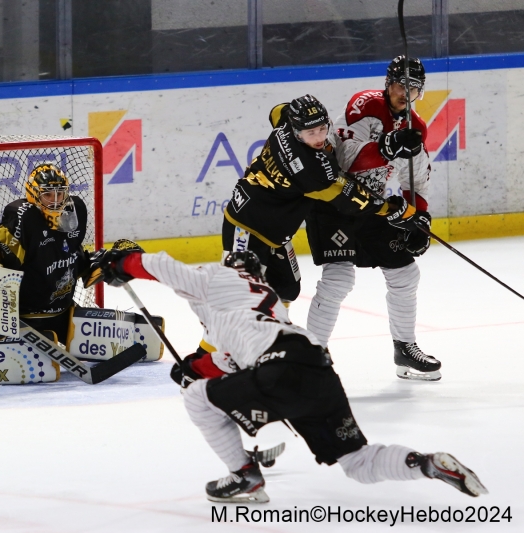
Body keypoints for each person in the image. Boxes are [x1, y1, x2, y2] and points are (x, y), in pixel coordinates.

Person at [95, 247, 487, 503]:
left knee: (197, 398)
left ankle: (244, 475)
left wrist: (119, 263)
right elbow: (237, 361)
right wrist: (197, 368)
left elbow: (162, 266)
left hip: (279, 365)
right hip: (314, 364)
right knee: (357, 461)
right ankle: (426, 463)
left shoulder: (220, 279)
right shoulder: (265, 305)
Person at [305, 56, 439, 380]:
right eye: (399, 85)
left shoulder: (416, 128)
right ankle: (310, 359)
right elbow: (346, 161)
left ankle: (405, 349)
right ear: (387, 84)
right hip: (333, 198)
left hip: (371, 205)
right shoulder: (363, 105)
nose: (405, 94)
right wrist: (388, 146)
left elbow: (416, 180)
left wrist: (419, 219)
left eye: (414, 89)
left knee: (406, 273)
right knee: (338, 279)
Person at [221, 94, 418, 307]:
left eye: (322, 129)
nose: (319, 138)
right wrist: (391, 209)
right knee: (239, 299)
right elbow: (352, 199)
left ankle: (274, 338)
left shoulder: (287, 120)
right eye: (311, 133)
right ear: (297, 132)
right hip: (246, 225)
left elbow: (277, 110)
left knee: (287, 288)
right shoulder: (313, 171)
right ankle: (211, 342)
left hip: (275, 231)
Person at [0, 163, 89, 344]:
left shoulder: (75, 210)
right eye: (47, 194)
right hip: (24, 318)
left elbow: (64, 252)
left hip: (62, 311)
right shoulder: (24, 218)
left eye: (59, 193)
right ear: (33, 195)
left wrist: (93, 263)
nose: (55, 201)